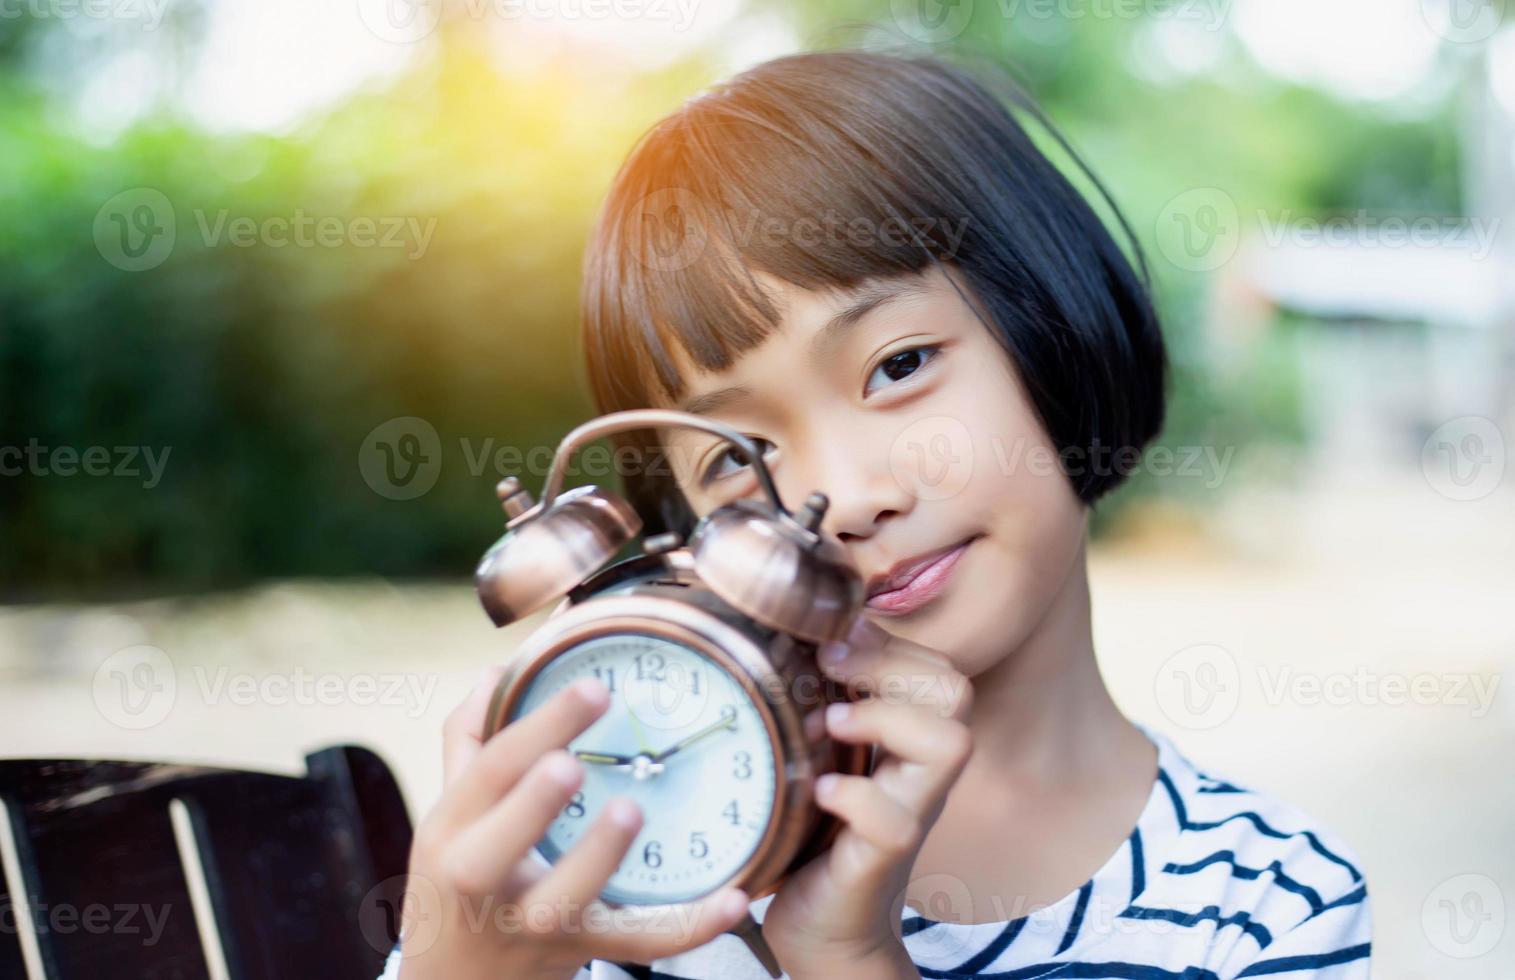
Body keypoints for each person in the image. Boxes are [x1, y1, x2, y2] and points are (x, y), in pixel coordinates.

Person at [379, 49, 1371, 979]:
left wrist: (853, 961)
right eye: (734, 455)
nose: (846, 496)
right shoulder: (615, 873)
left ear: (1055, 325)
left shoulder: (1265, 904)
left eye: (898, 366)